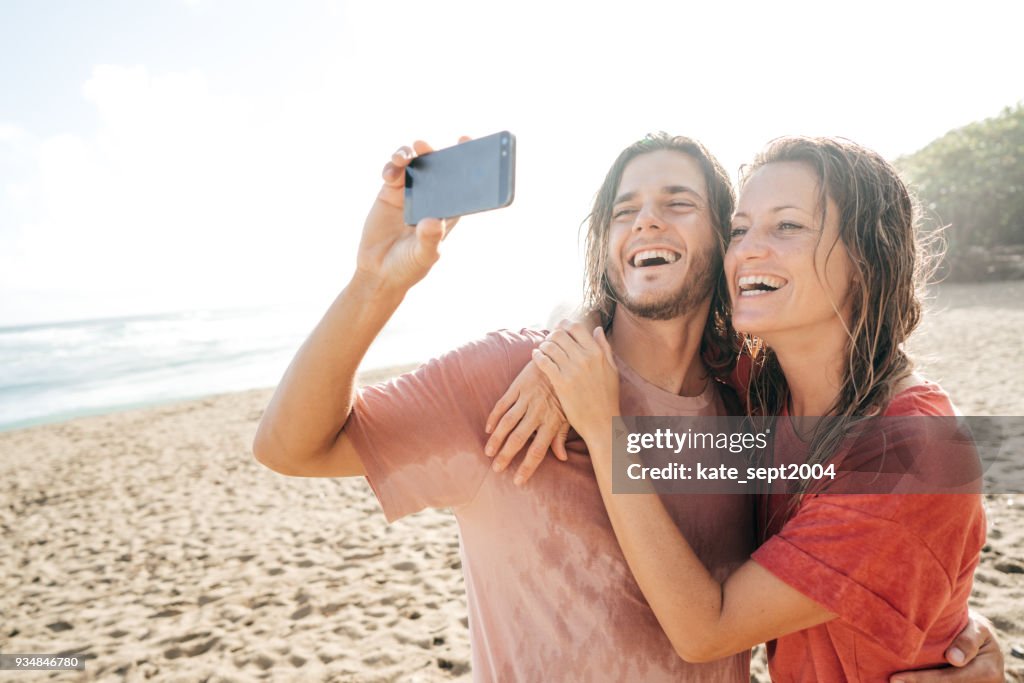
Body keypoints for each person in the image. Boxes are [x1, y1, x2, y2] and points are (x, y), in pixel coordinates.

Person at [252, 134, 1000, 682]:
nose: (645, 222)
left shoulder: (750, 401)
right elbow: (292, 448)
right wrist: (375, 286)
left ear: (714, 249)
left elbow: (720, 621)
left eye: (681, 205)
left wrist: (960, 633)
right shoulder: (509, 375)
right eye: (623, 210)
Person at [509, 136, 991, 681]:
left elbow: (706, 631)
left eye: (787, 226)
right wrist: (577, 334)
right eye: (739, 230)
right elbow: (641, 312)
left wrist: (603, 428)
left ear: (867, 258)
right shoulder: (762, 382)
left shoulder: (914, 451)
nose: (747, 251)